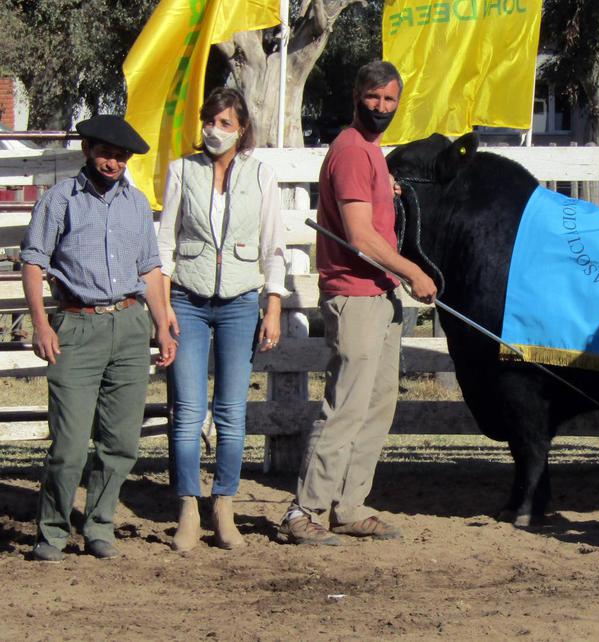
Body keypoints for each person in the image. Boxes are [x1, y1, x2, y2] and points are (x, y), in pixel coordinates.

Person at [279, 61, 437, 545]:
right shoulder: (351, 151)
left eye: (390, 99)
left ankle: (347, 507)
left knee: (376, 407)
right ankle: (304, 511)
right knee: (346, 407)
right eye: (374, 97)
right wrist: (412, 272)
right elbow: (360, 236)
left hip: (379, 294)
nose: (381, 107)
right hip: (355, 295)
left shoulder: (370, 152)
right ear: (356, 96)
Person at [21, 115, 176, 562]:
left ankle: (99, 525)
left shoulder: (136, 203)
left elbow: (149, 268)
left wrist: (161, 325)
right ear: (87, 149)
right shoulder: (59, 200)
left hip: (128, 325)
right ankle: (52, 531)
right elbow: (33, 262)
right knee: (69, 445)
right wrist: (41, 324)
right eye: (107, 153)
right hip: (76, 325)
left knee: (121, 441)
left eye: (121, 156)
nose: (114, 163)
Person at [157, 87, 286, 551]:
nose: (215, 130)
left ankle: (224, 504)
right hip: (187, 300)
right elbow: (165, 243)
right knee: (188, 411)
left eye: (225, 123)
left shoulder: (261, 175)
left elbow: (273, 244)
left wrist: (273, 305)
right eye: (210, 121)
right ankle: (188, 507)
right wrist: (163, 309)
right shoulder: (182, 171)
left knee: (231, 412)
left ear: (242, 128)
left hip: (239, 301)